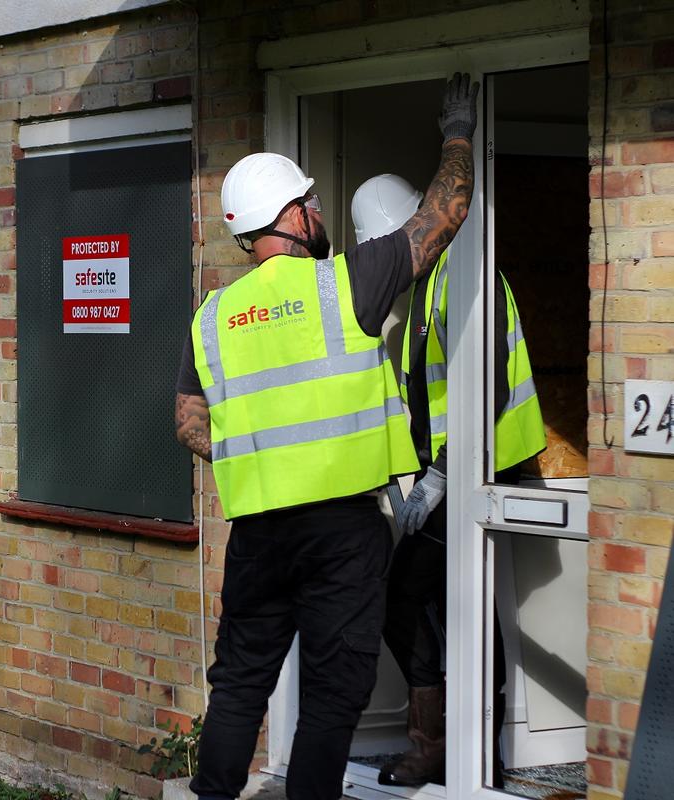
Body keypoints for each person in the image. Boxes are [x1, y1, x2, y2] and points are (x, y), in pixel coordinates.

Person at [173, 74, 479, 800]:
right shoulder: (344, 281)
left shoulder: (213, 314)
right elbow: (443, 214)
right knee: (333, 696)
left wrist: (259, 450)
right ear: (287, 215)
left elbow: (188, 421)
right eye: (309, 202)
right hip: (340, 530)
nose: (319, 210)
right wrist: (459, 131)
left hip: (257, 535)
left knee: (241, 685)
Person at [350, 173, 546, 788]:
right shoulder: (428, 292)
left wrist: (437, 474)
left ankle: (450, 748)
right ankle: (462, 750)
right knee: (445, 605)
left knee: (416, 599)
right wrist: (409, 475)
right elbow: (424, 401)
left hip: (483, 471)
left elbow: (481, 384)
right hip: (456, 472)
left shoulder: (464, 278)